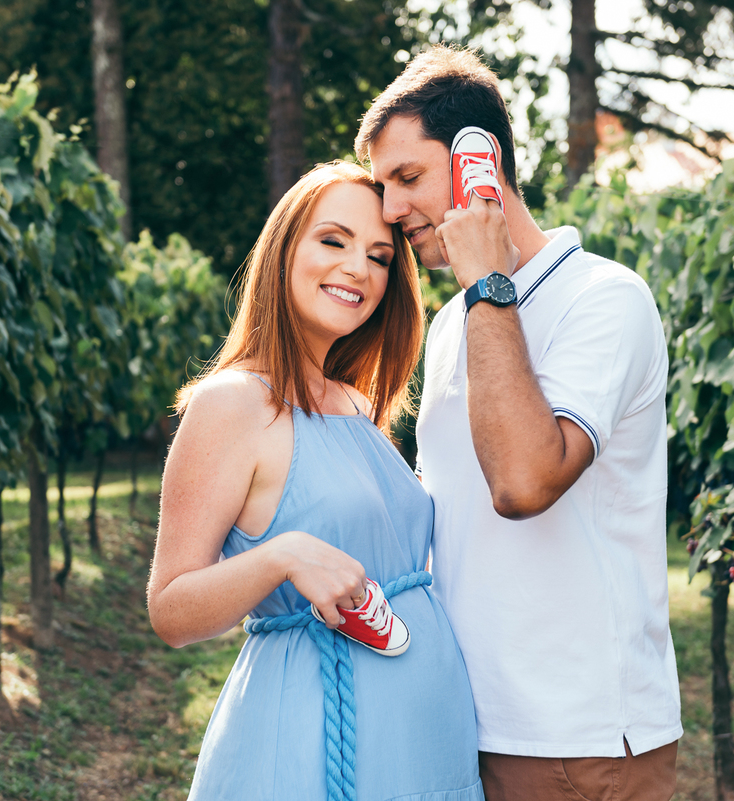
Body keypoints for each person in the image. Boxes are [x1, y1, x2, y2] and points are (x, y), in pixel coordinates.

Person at [355, 47, 681, 801]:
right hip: (465, 722)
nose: (392, 209)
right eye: (383, 187)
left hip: (578, 742)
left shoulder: (606, 298)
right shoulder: (452, 326)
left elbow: (525, 479)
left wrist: (485, 282)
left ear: (480, 163)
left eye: (408, 178)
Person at [147, 161, 485, 801]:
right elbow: (170, 611)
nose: (359, 268)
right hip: (315, 743)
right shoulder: (234, 404)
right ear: (282, 253)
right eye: (334, 241)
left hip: (423, 744)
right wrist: (283, 555)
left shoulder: (356, 405)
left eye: (380, 256)